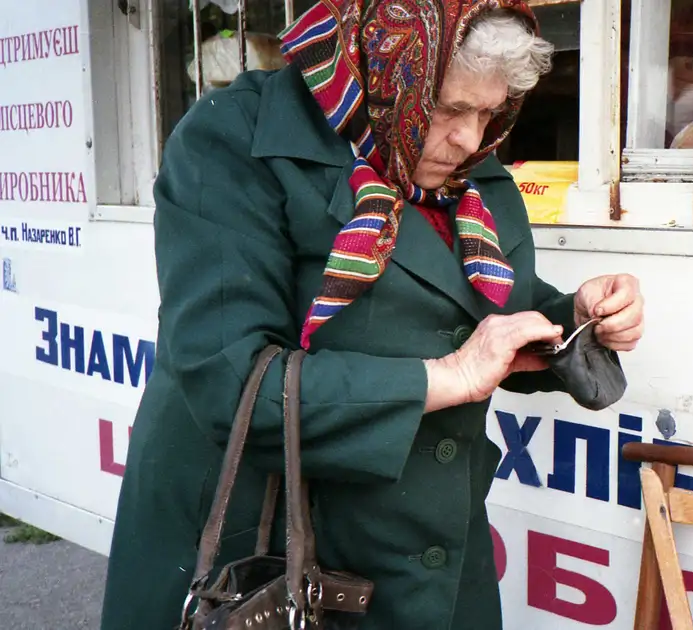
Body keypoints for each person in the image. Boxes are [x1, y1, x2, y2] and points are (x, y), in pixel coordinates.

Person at [98, 0, 645, 628]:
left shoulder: (462, 171)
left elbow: (474, 303)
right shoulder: (233, 139)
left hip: (430, 549)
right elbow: (230, 382)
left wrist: (571, 315)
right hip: (270, 554)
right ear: (387, 70)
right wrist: (451, 377)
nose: (471, 138)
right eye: (452, 109)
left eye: (490, 112)